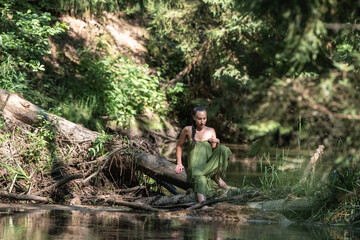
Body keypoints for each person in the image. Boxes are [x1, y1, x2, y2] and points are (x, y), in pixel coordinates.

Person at [175, 106, 232, 205]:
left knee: (224, 149)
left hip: (209, 166)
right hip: (195, 169)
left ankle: (217, 176)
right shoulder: (187, 130)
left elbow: (215, 151)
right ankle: (203, 207)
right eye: (199, 119)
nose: (202, 122)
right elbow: (179, 146)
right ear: (193, 117)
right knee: (201, 179)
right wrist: (179, 163)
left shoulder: (211, 130)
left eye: (204, 118)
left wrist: (217, 142)